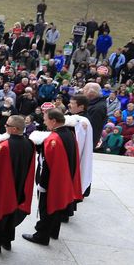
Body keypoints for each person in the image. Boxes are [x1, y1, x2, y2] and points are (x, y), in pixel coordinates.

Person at [23, 109, 82, 245]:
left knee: (46, 207)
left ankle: (41, 236)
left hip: (52, 181)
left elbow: (46, 164)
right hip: (65, 178)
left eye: (46, 119)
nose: (44, 122)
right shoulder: (69, 134)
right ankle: (53, 231)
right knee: (57, 206)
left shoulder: (52, 139)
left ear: (54, 121)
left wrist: (42, 184)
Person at [0, 115, 36, 253]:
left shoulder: (3, 146)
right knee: (12, 213)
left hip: (4, 187)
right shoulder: (29, 143)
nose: (5, 127)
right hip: (20, 185)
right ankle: (7, 240)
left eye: (7, 126)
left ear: (15, 129)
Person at [63, 94, 94, 222]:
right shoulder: (78, 119)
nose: (69, 105)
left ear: (81, 106)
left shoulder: (81, 121)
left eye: (73, 103)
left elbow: (78, 143)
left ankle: (64, 212)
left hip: (73, 159)